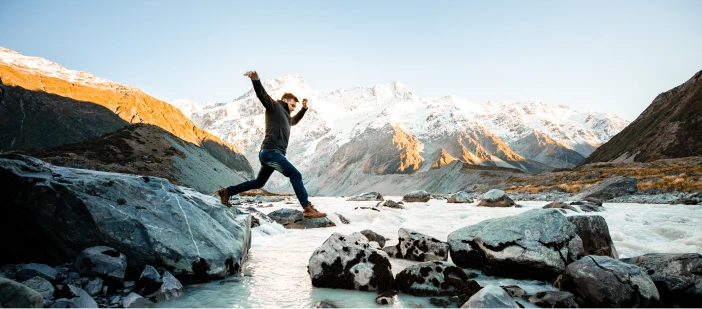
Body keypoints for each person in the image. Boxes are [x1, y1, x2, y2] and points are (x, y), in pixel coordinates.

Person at [215, 71, 327, 219]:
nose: (293, 108)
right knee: (295, 175)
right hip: (271, 152)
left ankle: (227, 192)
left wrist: (304, 109)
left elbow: (295, 120)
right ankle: (307, 208)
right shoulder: (274, 106)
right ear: (285, 101)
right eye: (292, 105)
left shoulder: (287, 118)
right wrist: (256, 80)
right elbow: (262, 95)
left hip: (269, 154)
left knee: (259, 183)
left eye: (295, 107)